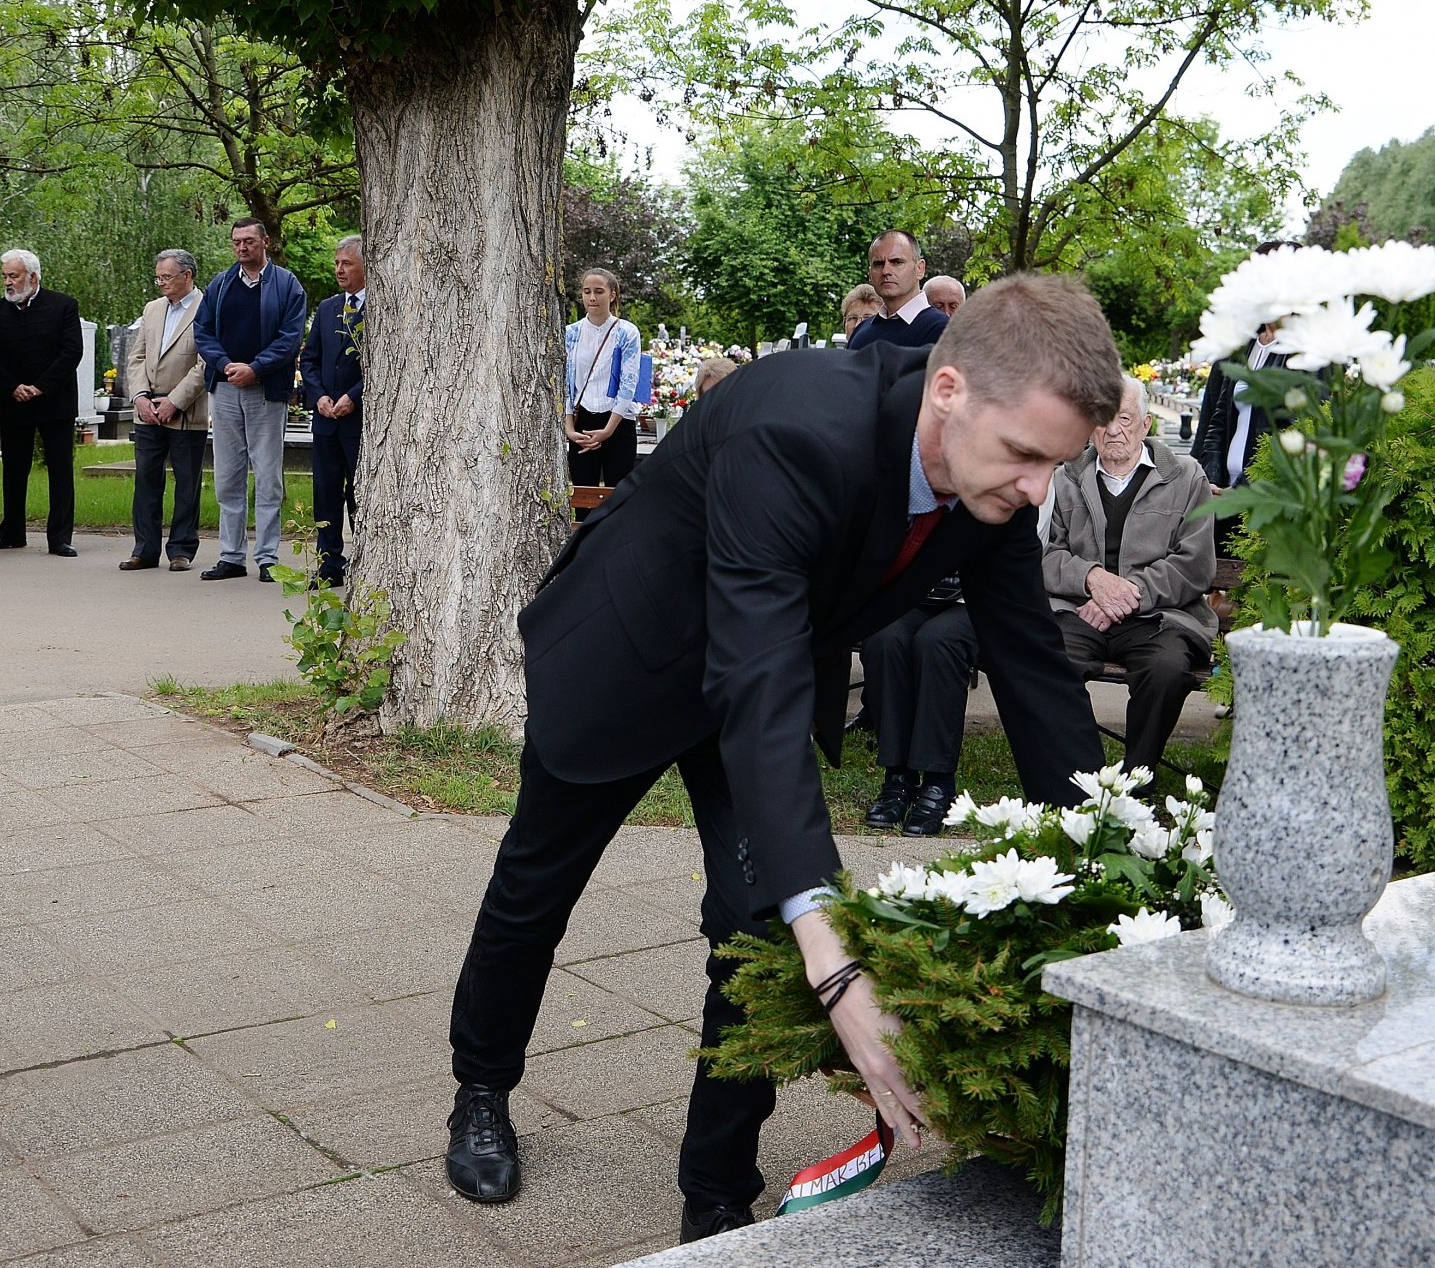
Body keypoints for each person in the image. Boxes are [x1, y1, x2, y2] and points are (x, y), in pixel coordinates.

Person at [444, 274, 1123, 1243]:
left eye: (1054, 466)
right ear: (948, 390)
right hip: (631, 656)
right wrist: (841, 964)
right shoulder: (797, 430)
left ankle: (716, 1190)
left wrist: (1115, 845)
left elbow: (1032, 670)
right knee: (536, 885)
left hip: (753, 674)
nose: (1035, 491)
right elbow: (757, 685)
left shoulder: (997, 492)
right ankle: (481, 1082)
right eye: (1024, 455)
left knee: (760, 927)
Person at [1045, 378, 1218, 776]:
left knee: (1167, 671)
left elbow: (1194, 564)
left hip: (1158, 617)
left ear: (1146, 424)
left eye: (1124, 417)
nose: (1113, 429)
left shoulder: (1186, 478)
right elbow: (1047, 554)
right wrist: (1092, 580)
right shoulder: (1065, 478)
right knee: (1049, 663)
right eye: (1103, 417)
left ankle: (1136, 778)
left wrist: (1129, 594)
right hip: (1082, 611)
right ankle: (1083, 773)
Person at [193, 217, 307, 583]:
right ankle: (231, 556)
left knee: (268, 475)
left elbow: (290, 338)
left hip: (265, 390)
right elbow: (203, 330)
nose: (242, 248)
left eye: (249, 241)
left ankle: (268, 557)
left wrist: (256, 368)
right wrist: (226, 365)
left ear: (265, 242)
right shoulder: (221, 283)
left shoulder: (287, 284)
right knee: (228, 475)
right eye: (236, 241)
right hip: (225, 387)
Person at [1191, 241, 1299, 548]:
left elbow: (1294, 434)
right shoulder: (1240, 346)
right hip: (1221, 496)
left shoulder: (1309, 354)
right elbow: (1215, 420)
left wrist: (1244, 490)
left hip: (1270, 502)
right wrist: (1208, 480)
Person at [0, 249, 83, 557]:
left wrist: (40, 387)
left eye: (14, 276)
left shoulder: (63, 305)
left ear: (33, 277)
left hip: (55, 401)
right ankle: (11, 532)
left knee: (60, 470)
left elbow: (71, 352)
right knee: (14, 469)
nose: (8, 282)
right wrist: (12, 386)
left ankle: (60, 537)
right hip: (15, 401)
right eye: (5, 276)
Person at [858, 578, 977, 836]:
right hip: (915, 592)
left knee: (937, 641)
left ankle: (939, 782)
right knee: (883, 639)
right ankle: (898, 778)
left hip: (978, 598)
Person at [122, 249, 209, 572]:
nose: (161, 283)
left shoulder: (206, 307)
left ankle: (182, 549)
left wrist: (175, 400)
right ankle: (144, 549)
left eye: (167, 277)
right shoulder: (153, 309)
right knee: (146, 480)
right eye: (157, 277)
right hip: (147, 408)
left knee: (187, 482)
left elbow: (205, 362)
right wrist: (141, 397)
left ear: (187, 276)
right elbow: (137, 357)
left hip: (184, 410)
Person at [300, 234, 366, 585]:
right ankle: (329, 566)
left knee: (360, 493)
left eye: (347, 264)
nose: (339, 269)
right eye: (337, 263)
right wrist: (319, 395)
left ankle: (368, 560)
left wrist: (353, 396)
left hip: (358, 421)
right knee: (325, 493)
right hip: (326, 420)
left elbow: (382, 365)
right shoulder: (327, 308)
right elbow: (310, 359)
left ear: (365, 266)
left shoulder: (379, 309)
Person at [563, 268, 642, 490]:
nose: (592, 298)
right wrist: (570, 430)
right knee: (582, 496)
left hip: (618, 422)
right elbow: (566, 385)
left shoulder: (627, 332)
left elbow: (628, 383)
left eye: (599, 291)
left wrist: (607, 431)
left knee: (618, 498)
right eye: (587, 291)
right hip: (582, 424)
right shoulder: (571, 333)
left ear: (612, 295)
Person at [845, 231, 951, 351]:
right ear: (870, 274)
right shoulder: (861, 332)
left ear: (920, 269)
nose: (886, 271)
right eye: (878, 264)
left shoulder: (942, 330)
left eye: (896, 262)